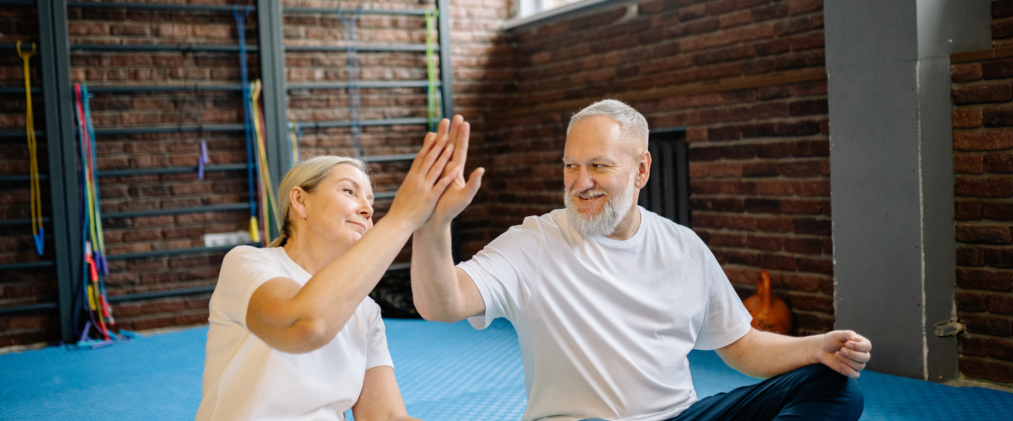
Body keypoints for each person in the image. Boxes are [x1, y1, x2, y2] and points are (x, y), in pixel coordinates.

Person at [410, 100, 870, 421]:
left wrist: (814, 347)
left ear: (642, 170)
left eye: (599, 165)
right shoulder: (534, 243)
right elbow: (442, 304)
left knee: (834, 386)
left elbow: (742, 347)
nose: (580, 181)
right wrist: (433, 225)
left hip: (681, 416)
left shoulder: (683, 246)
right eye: (571, 166)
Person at [196, 118, 468, 421]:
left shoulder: (366, 311)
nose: (367, 208)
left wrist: (434, 222)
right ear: (300, 201)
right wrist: (402, 218)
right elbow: (303, 324)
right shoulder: (248, 264)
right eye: (349, 192)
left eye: (371, 202)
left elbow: (387, 417)